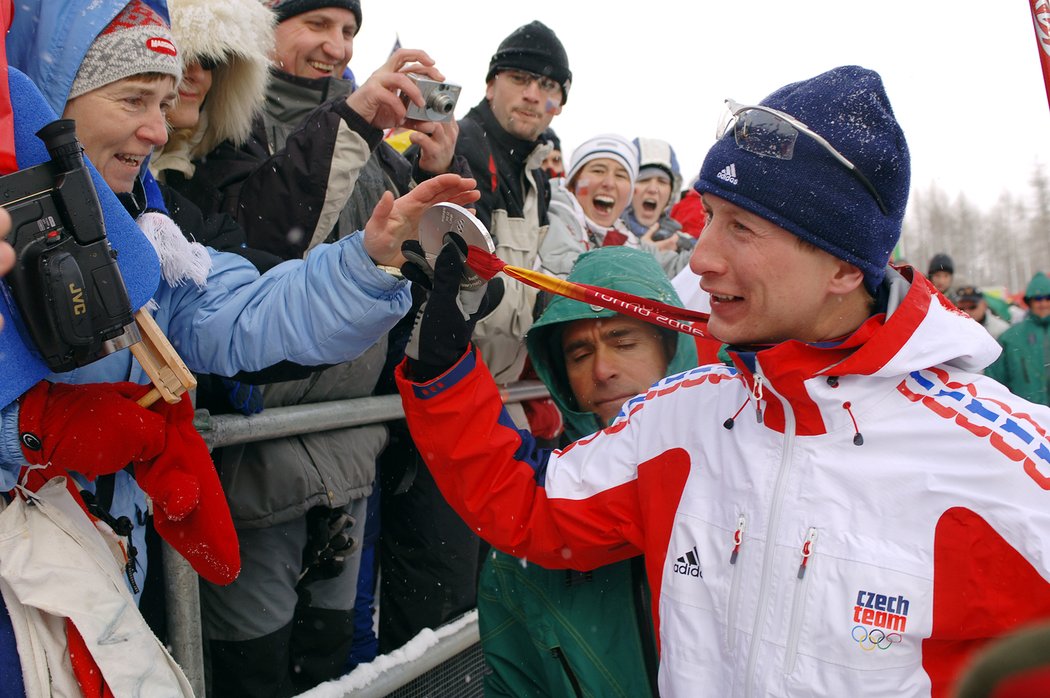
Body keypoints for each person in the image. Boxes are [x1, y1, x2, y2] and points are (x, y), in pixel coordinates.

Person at [395, 65, 1050, 696]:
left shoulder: (1008, 471)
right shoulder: (678, 420)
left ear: (845, 268)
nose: (702, 257)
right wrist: (442, 373)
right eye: (708, 216)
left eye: (741, 228)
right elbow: (533, 514)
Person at [3, 1, 477, 692]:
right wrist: (31, 433)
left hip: (98, 565)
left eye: (163, 102)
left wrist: (369, 259)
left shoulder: (146, 230)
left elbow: (245, 311)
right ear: (48, 93)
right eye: (133, 97)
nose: (156, 128)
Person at [376, 19, 573, 654]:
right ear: (490, 84)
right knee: (436, 605)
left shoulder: (537, 178)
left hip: (489, 411)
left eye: (550, 86)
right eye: (521, 79)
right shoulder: (455, 151)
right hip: (435, 409)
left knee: (477, 598)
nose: (534, 96)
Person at [476, 245, 697, 697]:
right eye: (579, 354)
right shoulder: (529, 528)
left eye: (624, 342)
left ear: (671, 347)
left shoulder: (736, 483)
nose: (601, 370)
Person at [540, 133, 691, 278]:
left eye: (620, 175)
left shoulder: (624, 238)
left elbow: (674, 269)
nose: (609, 183)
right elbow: (566, 273)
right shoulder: (554, 213)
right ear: (573, 183)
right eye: (598, 171)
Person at [622, 137, 695, 256]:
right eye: (644, 180)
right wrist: (644, 253)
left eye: (662, 182)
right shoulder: (599, 234)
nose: (653, 189)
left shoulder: (686, 244)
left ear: (672, 193)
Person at [986, 271, 1050, 405]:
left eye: (1048, 298)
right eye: (1037, 299)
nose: (1043, 303)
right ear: (1029, 301)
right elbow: (994, 381)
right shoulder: (1011, 338)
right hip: (1026, 419)